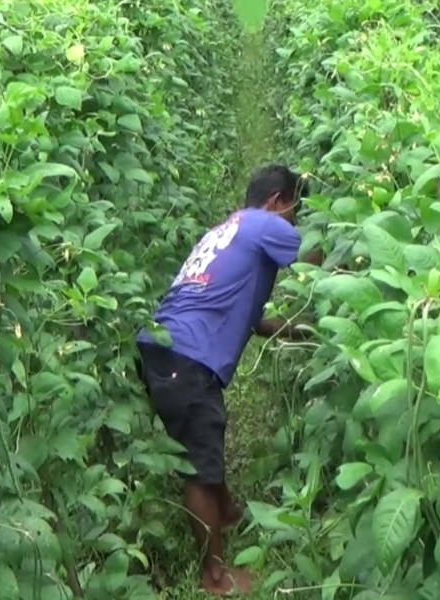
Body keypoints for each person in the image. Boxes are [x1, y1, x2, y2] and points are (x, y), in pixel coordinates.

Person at [136, 165, 323, 596]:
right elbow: (313, 264)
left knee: (203, 439)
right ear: (278, 200)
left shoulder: (228, 230)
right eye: (295, 212)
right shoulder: (264, 223)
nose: (294, 224)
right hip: (188, 354)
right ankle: (215, 577)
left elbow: (257, 323)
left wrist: (302, 330)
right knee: (200, 465)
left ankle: (228, 511)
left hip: (164, 347)